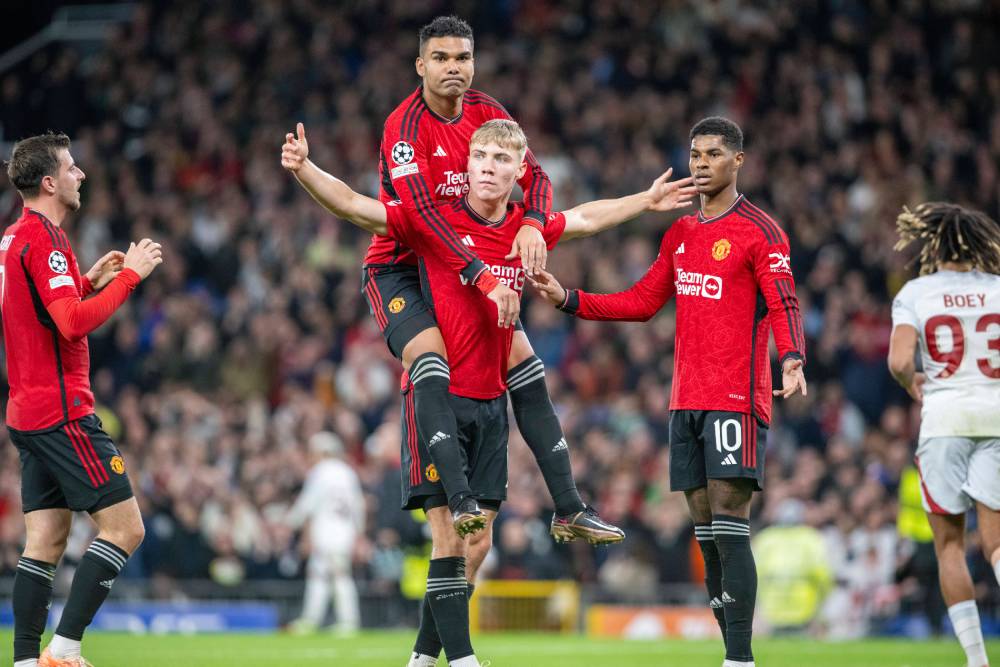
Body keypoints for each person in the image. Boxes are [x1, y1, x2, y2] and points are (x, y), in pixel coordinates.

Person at [282, 117, 695, 667]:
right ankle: (463, 659)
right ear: (468, 164)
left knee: (479, 545)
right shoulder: (436, 222)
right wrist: (306, 168)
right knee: (450, 539)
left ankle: (423, 658)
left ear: (519, 171)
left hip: (490, 401)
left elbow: (588, 217)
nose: (487, 168)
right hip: (437, 400)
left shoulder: (526, 230)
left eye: (501, 161)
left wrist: (644, 201)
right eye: (480, 157)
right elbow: (359, 206)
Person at [530, 116, 807, 667]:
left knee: (730, 520)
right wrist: (568, 297)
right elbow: (640, 302)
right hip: (685, 400)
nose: (700, 164)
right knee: (704, 529)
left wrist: (793, 355)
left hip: (735, 397)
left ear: (738, 162)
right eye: (695, 154)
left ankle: (740, 657)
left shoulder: (761, 231)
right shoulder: (680, 233)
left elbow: (783, 301)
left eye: (712, 154)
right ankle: (732, 651)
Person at [362, 14, 622, 545]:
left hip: (468, 264)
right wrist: (483, 277)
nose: (453, 67)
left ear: (474, 62)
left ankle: (569, 508)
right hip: (403, 267)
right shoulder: (404, 129)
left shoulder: (487, 112)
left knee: (527, 369)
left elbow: (539, 177)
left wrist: (530, 223)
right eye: (440, 58)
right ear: (420, 65)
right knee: (431, 364)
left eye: (462, 57)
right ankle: (455, 497)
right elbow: (424, 222)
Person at [1, 132, 162, 667]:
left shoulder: (15, 237)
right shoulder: (43, 239)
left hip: (26, 410)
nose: (81, 175)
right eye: (72, 168)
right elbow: (70, 325)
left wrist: (87, 281)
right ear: (49, 182)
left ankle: (25, 660)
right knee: (126, 528)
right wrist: (131, 278)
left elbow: (42, 312)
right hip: (62, 411)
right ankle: (64, 651)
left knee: (44, 542)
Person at [888, 202, 1000, 667]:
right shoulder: (998, 288)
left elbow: (898, 361)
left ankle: (976, 661)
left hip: (945, 419)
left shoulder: (916, 292)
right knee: (997, 543)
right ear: (979, 244)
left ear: (933, 243)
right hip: (996, 414)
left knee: (949, 545)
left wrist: (912, 380)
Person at [285, 431, 365, 635]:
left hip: (327, 530)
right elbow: (358, 506)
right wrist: (359, 533)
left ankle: (348, 622)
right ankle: (312, 619)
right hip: (344, 531)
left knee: (337, 576)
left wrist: (290, 521)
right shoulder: (348, 472)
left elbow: (307, 503)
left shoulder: (320, 471)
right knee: (321, 574)